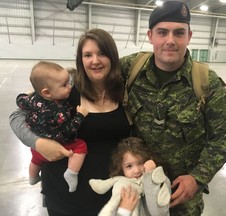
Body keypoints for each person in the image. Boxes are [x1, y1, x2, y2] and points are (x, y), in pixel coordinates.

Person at [120, 1, 226, 215]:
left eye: (179, 33)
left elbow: (223, 137)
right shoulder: (131, 69)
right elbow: (88, 81)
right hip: (138, 190)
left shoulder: (206, 83)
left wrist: (198, 178)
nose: (170, 41)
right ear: (150, 35)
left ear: (189, 36)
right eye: (162, 32)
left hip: (182, 197)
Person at [9, 29, 131, 215]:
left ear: (113, 57)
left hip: (110, 196)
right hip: (64, 197)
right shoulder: (65, 90)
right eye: (88, 55)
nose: (95, 61)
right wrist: (38, 143)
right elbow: (16, 117)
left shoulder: (125, 91)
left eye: (102, 53)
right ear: (81, 60)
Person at [16, 61, 88, 192]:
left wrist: (25, 95)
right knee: (81, 146)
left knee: (35, 159)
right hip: (57, 144)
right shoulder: (59, 110)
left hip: (38, 144)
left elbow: (20, 101)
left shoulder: (33, 99)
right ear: (47, 92)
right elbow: (68, 130)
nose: (69, 87)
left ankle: (32, 177)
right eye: (65, 85)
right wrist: (80, 115)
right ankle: (71, 172)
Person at [89, 136, 171, 216]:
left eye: (140, 163)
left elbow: (159, 213)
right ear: (121, 168)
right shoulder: (122, 185)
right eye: (129, 166)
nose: (136, 170)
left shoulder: (161, 181)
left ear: (149, 159)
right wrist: (124, 210)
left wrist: (150, 178)